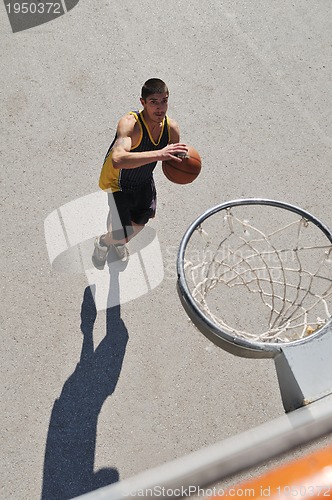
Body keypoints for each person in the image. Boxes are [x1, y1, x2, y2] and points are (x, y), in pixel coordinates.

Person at [92, 78, 188, 270]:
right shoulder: (130, 125)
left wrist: (183, 162)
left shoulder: (171, 129)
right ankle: (104, 242)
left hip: (143, 179)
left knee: (140, 222)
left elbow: (172, 161)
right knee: (122, 234)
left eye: (164, 101)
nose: (160, 107)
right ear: (142, 102)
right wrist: (160, 154)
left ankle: (116, 232)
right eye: (154, 102)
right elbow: (118, 159)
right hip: (119, 182)